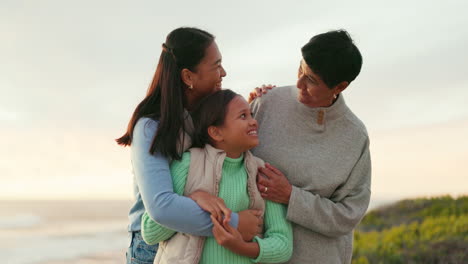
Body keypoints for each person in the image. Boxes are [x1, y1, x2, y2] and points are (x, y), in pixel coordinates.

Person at [116, 27, 262, 264]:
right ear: (188, 77)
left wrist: (256, 106)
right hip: (154, 247)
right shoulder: (150, 127)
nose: (223, 72)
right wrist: (235, 222)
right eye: (216, 65)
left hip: (202, 242)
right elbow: (162, 207)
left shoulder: (205, 118)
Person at [250, 29, 371, 263]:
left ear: (340, 87)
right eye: (300, 69)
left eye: (311, 80)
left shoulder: (355, 136)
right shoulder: (267, 102)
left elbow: (348, 215)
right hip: (255, 255)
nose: (299, 83)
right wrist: (239, 114)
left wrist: (291, 197)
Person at [141, 89, 293, 264]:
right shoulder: (188, 164)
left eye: (251, 115)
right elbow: (150, 232)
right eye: (243, 116)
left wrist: (242, 247)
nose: (254, 122)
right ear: (216, 132)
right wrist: (195, 199)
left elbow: (283, 245)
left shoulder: (262, 173)